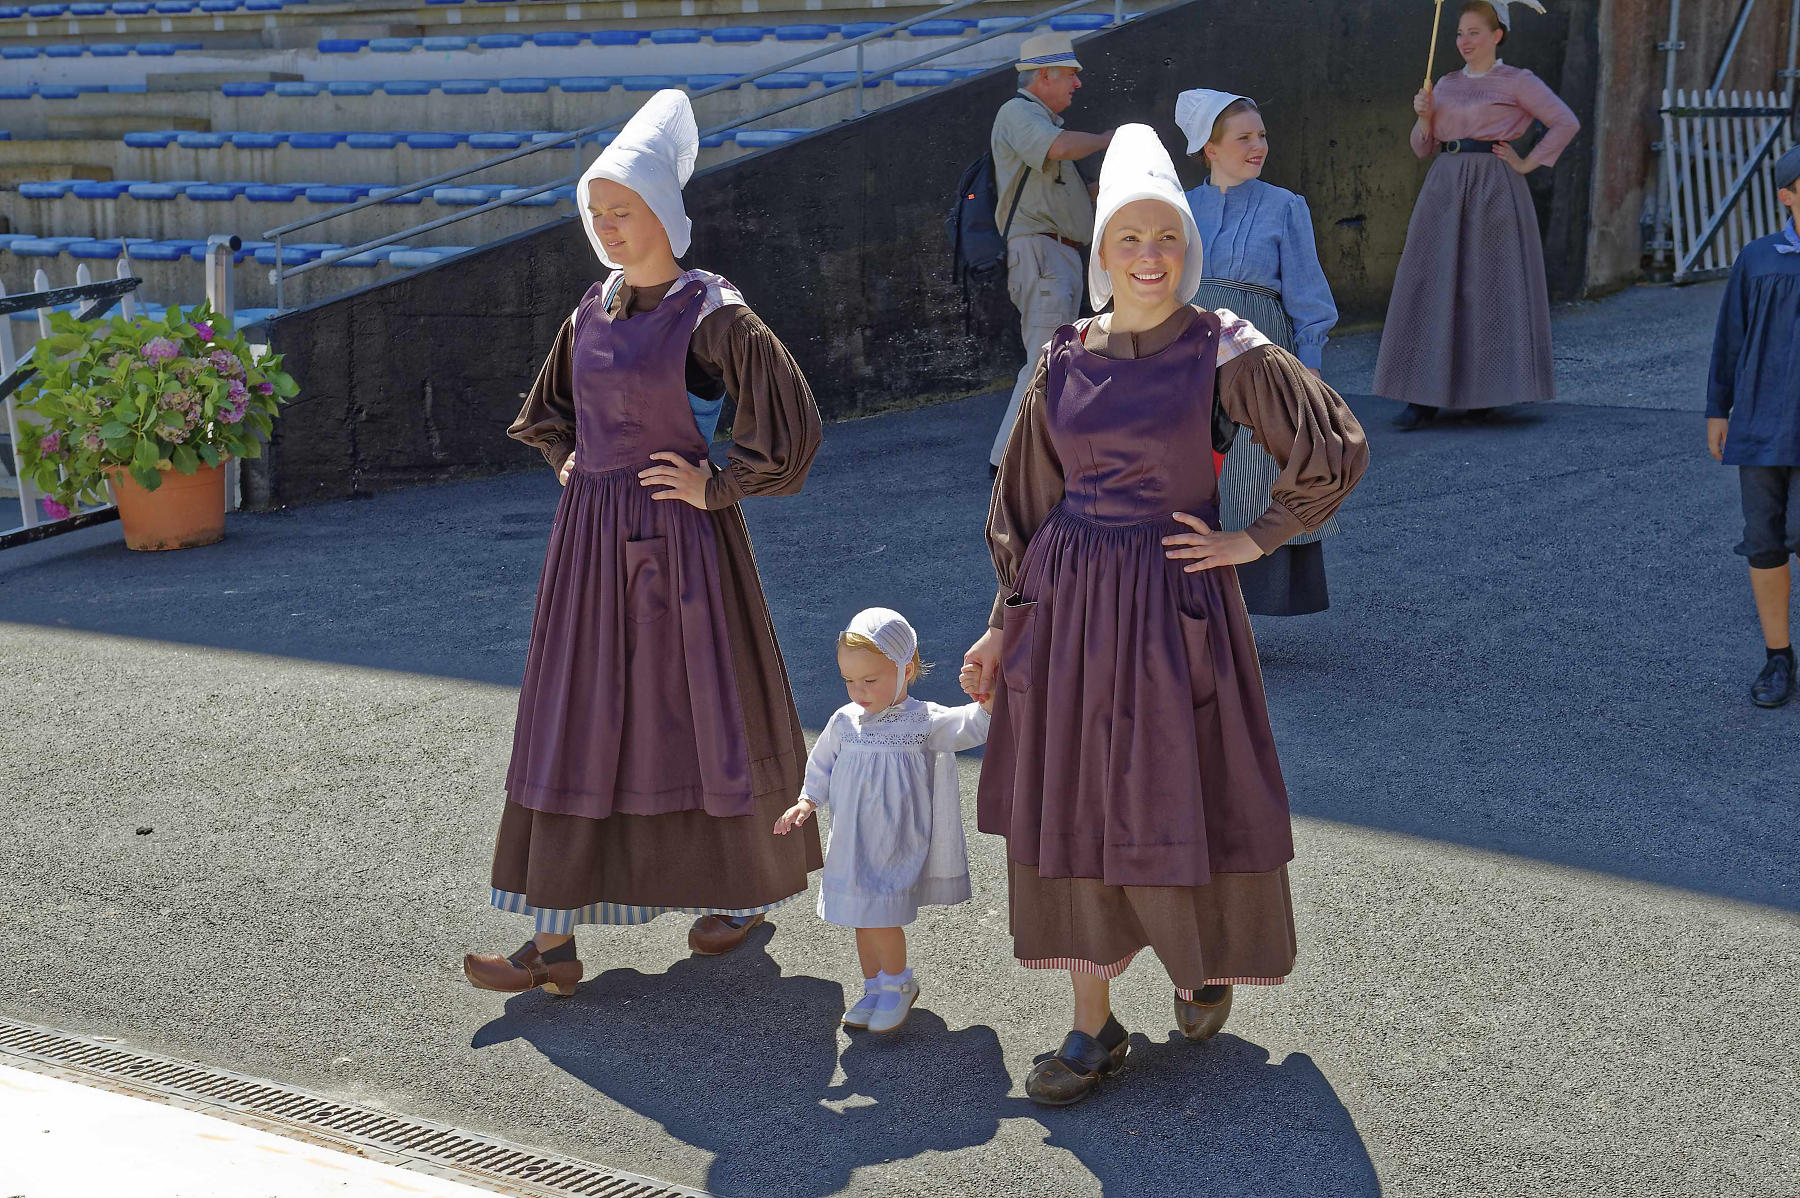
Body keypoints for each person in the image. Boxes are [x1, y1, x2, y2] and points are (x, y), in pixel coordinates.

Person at [962, 124, 1368, 1105]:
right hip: (1067, 609)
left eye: (1169, 241)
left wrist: (1255, 537)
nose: (1151, 259)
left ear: (1189, 248)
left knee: (1179, 795)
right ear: (1100, 250)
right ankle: (1090, 1028)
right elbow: (1021, 506)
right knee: (1080, 810)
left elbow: (1332, 443)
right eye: (1130, 240)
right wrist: (997, 625)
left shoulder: (1222, 344)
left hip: (1177, 609)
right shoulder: (1062, 358)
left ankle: (1198, 962)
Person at [463, 89, 824, 998]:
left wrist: (720, 484)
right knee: (578, 717)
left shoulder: (713, 313)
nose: (609, 228)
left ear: (665, 211)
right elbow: (549, 413)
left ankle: (741, 893)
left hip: (684, 547)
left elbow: (790, 423)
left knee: (705, 709)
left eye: (623, 212)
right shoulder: (594, 307)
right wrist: (570, 462)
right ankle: (553, 939)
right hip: (589, 548)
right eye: (597, 214)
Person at [773, 609, 991, 1033]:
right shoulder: (844, 721)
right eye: (849, 681)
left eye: (870, 680)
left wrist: (987, 700)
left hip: (894, 841)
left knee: (881, 918)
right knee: (860, 916)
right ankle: (874, 986)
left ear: (905, 669)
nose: (858, 691)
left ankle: (898, 984)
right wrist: (806, 800)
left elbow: (970, 727)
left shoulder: (921, 720)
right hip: (853, 842)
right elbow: (822, 765)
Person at [1372, 0, 1580, 430]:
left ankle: (1484, 394)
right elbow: (1422, 147)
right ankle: (1421, 397)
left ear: (1497, 34)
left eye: (1474, 33)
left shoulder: (1517, 82)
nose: (1465, 42)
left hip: (1494, 189)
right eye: (1460, 34)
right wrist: (1423, 118)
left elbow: (1565, 122)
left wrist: (1526, 162)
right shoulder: (1444, 83)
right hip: (1444, 187)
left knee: (1488, 286)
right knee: (1430, 283)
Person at [1177, 88, 1343, 615]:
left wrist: (1310, 367)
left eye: (1262, 135)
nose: (1259, 146)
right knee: (1185, 466)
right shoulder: (1180, 208)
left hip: (1257, 346)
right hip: (1189, 346)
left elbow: (1307, 292)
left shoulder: (1285, 206)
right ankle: (1182, 600)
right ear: (1210, 147)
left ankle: (1245, 609)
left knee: (1256, 465)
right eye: (1244, 137)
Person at [987, 30, 1114, 474]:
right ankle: (1006, 463)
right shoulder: (1019, 115)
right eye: (1070, 76)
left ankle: (1030, 459)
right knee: (1044, 360)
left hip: (1056, 255)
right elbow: (1056, 148)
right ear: (1043, 75)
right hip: (1041, 253)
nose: (1077, 84)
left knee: (1053, 360)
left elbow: (1071, 190)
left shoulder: (1042, 125)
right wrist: (1105, 139)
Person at [1705, 143, 1800, 709]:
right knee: (1765, 542)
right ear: (1787, 196)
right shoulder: (1759, 259)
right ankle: (1778, 658)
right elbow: (1730, 339)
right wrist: (1719, 408)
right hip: (1764, 424)